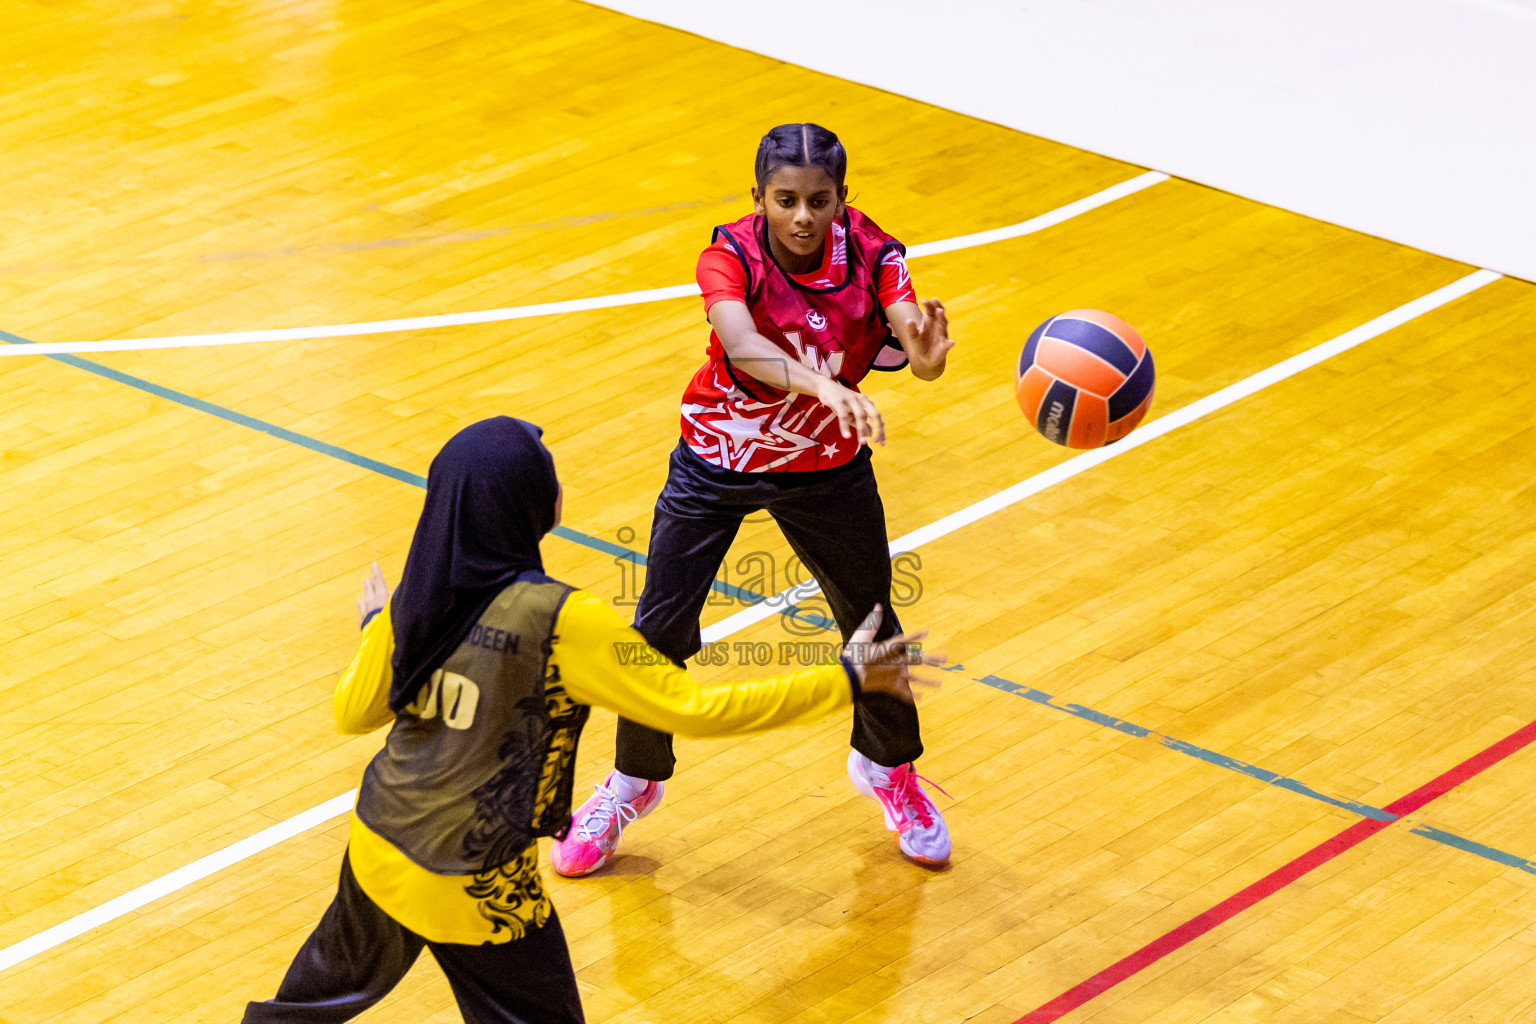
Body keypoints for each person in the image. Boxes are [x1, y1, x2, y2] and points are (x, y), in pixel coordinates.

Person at [242, 416, 939, 1024]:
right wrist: (846, 677)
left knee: (305, 1008)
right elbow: (697, 710)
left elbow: (349, 712)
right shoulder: (563, 622)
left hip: (377, 849)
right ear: (531, 506)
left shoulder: (417, 601)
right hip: (477, 886)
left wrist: (374, 628)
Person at [551, 123, 956, 879]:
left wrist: (926, 357)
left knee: (873, 623)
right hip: (718, 456)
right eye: (787, 200)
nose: (803, 216)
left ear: (842, 199)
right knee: (656, 630)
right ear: (759, 198)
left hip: (825, 465)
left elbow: (910, 332)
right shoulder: (728, 254)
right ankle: (632, 784)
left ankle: (887, 769)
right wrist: (827, 387)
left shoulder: (874, 253)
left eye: (820, 201)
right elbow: (741, 345)